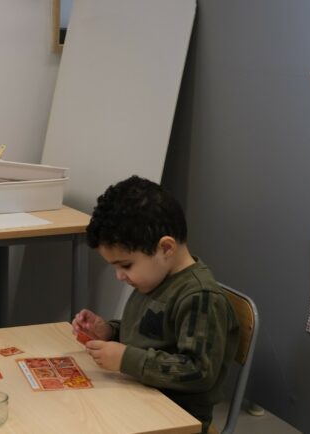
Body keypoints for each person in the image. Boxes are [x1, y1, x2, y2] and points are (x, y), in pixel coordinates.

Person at [71, 175, 239, 434]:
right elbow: (150, 335)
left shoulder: (201, 297)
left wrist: (126, 358)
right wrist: (110, 331)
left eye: (125, 265)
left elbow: (199, 371)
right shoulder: (152, 279)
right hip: (137, 396)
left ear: (166, 248)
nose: (120, 276)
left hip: (177, 419)